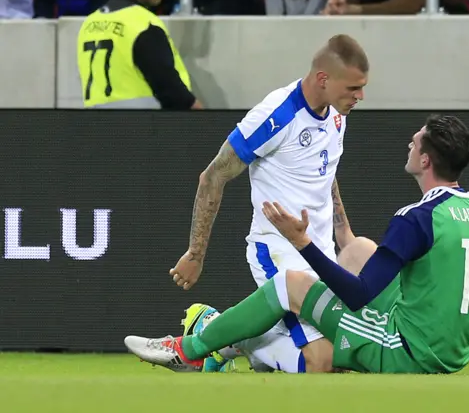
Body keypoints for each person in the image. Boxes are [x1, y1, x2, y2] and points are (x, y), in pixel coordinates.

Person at [124, 114, 469, 375]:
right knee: (359, 250)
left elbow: (358, 294)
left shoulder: (416, 216)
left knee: (292, 286)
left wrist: (302, 242)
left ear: (424, 158)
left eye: (415, 139)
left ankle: (191, 349)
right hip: (456, 353)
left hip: (409, 353)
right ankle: (234, 336)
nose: (409, 141)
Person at [142, 34, 369, 374]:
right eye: (353, 88)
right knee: (320, 363)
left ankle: (243, 336)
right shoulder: (276, 115)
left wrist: (344, 234)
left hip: (318, 256)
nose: (360, 97)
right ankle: (220, 334)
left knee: (348, 358)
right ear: (324, 78)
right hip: (278, 253)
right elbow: (213, 176)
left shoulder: (336, 113)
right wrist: (195, 254)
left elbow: (325, 170)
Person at [76, 0, 202, 109]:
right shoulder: (143, 24)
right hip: (142, 126)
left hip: (97, 127)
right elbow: (173, 93)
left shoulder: (90, 23)